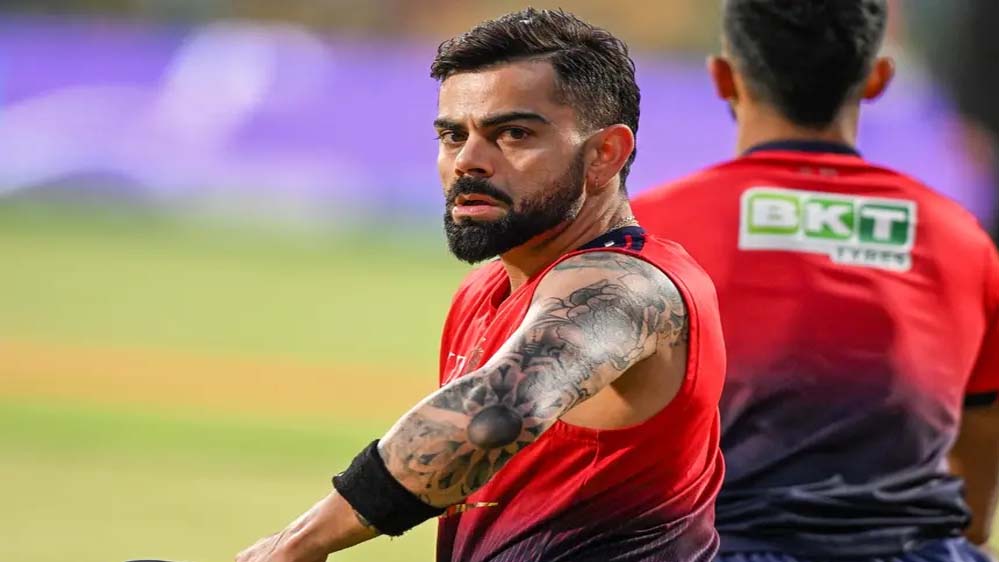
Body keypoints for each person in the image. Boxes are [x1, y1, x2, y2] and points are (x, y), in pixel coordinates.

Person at [236, 9, 726, 562]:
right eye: (453, 135)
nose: (468, 161)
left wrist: (296, 544)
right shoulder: (484, 291)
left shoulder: (630, 286)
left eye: (513, 134)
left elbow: (494, 414)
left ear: (604, 154)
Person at [632, 1, 999, 561]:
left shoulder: (647, 232)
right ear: (878, 78)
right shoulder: (962, 241)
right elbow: (982, 438)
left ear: (723, 78)